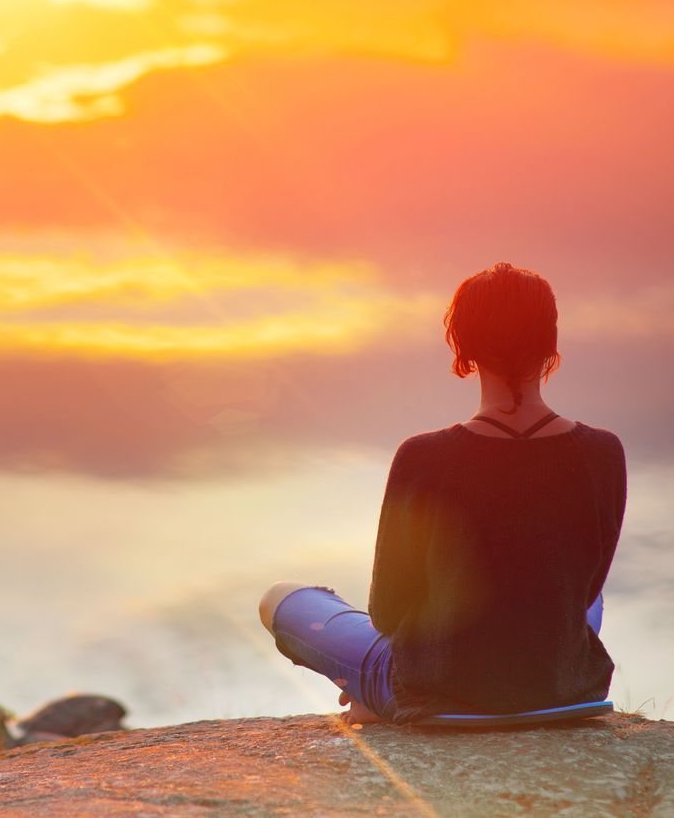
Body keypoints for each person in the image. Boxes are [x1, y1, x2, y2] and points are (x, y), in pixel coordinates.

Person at [257, 262, 627, 725]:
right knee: (587, 600)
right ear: (551, 345)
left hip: (440, 690)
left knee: (280, 598)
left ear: (464, 347)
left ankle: (378, 695)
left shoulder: (424, 457)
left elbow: (389, 615)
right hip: (563, 689)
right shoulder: (603, 451)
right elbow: (587, 589)